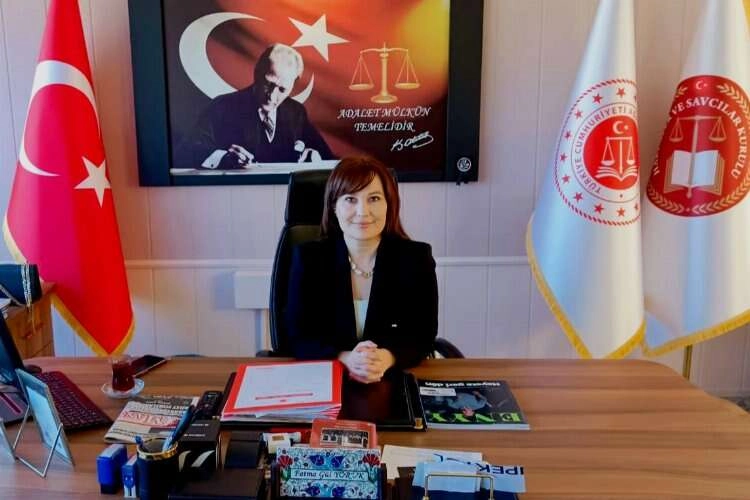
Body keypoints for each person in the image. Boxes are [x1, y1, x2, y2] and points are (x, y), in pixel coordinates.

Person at [286, 156, 438, 384]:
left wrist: (386, 358)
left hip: (391, 381)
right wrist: (345, 357)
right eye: (350, 199)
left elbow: (423, 335)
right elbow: (296, 336)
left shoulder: (416, 259)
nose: (363, 211)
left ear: (389, 204)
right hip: (325, 379)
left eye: (374, 198)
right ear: (334, 207)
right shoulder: (309, 259)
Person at [181, 43, 334, 169]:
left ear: (292, 86)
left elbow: (327, 156)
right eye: (268, 84)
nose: (272, 96)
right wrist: (224, 157)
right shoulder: (222, 107)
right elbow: (190, 149)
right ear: (256, 74)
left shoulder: (296, 112)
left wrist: (315, 157)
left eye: (282, 89)